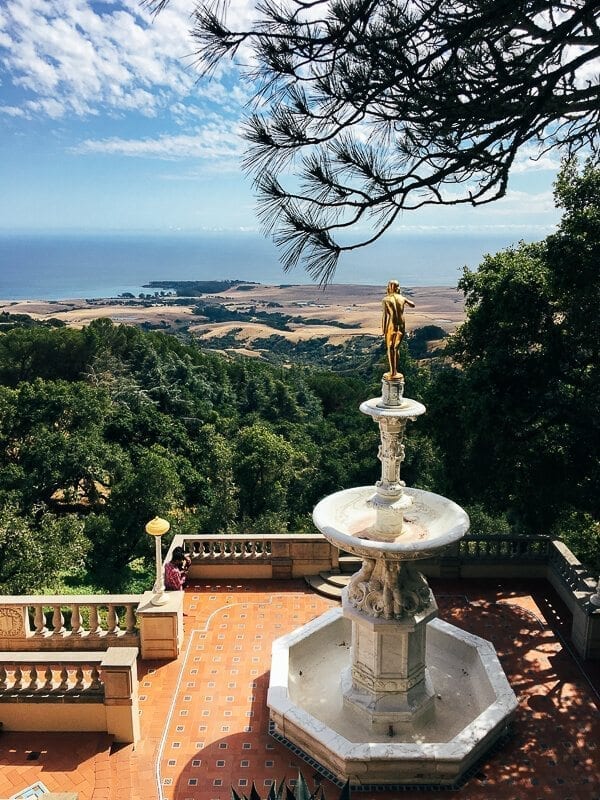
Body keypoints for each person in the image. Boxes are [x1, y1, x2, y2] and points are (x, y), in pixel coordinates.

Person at [382, 279, 415, 379]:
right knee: (396, 348)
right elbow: (413, 305)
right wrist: (405, 299)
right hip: (401, 325)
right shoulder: (402, 298)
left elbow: (385, 316)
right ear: (398, 288)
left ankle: (392, 372)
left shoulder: (386, 300)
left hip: (392, 325)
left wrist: (384, 329)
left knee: (390, 348)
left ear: (389, 288)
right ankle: (395, 371)